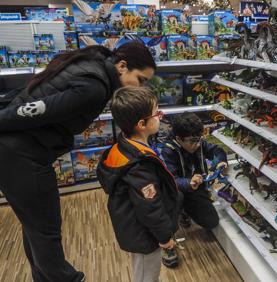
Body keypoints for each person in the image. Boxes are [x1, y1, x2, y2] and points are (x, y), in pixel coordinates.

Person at [0, 42, 156, 282]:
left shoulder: (93, 63)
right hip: (21, 155)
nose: (142, 86)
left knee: (35, 227)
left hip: (17, 153)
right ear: (122, 66)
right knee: (46, 232)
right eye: (141, 79)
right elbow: (32, 111)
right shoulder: (93, 87)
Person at [97, 86, 182, 281]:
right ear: (142, 124)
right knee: (146, 273)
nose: (160, 117)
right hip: (144, 235)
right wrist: (165, 238)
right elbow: (150, 208)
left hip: (134, 225)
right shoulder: (139, 166)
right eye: (157, 113)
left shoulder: (124, 147)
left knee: (146, 271)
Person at [161, 112, 228, 231]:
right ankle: (181, 211)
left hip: (196, 188)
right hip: (180, 189)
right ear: (178, 139)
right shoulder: (167, 151)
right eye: (193, 141)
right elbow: (171, 180)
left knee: (211, 221)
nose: (197, 145)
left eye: (199, 140)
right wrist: (189, 183)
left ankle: (190, 207)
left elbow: (217, 151)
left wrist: (221, 161)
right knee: (178, 197)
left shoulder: (197, 142)